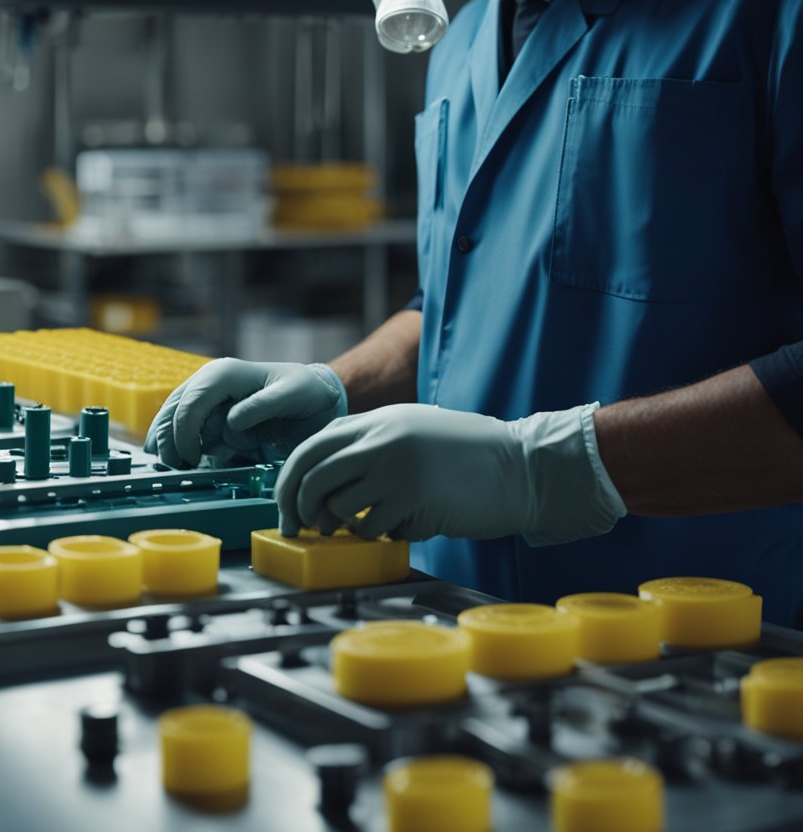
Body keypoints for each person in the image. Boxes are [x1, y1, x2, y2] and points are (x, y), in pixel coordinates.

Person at [146, 0, 803, 627]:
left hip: (699, 642)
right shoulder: (460, 42)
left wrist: (539, 472)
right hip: (454, 613)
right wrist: (338, 387)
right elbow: (460, 300)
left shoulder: (767, 20)